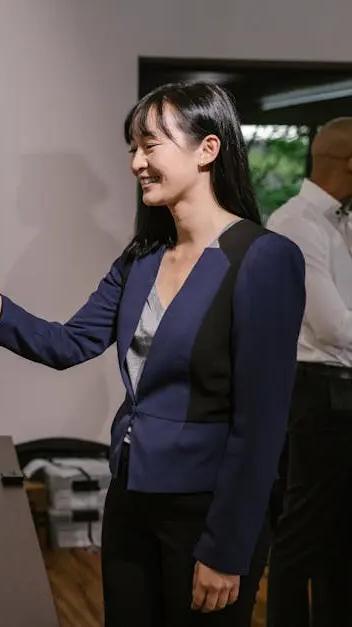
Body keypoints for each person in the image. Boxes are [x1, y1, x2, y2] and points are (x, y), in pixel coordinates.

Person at [0, 82, 306, 626]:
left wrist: (226, 549)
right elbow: (71, 342)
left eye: (150, 146)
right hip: (130, 496)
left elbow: (262, 425)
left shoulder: (264, 258)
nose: (136, 162)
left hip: (206, 510)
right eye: (132, 149)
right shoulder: (143, 258)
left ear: (208, 149)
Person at [265, 117, 352, 627]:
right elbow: (333, 327)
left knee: (342, 538)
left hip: (341, 393)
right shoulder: (296, 224)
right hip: (317, 394)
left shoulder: (342, 222)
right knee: (302, 535)